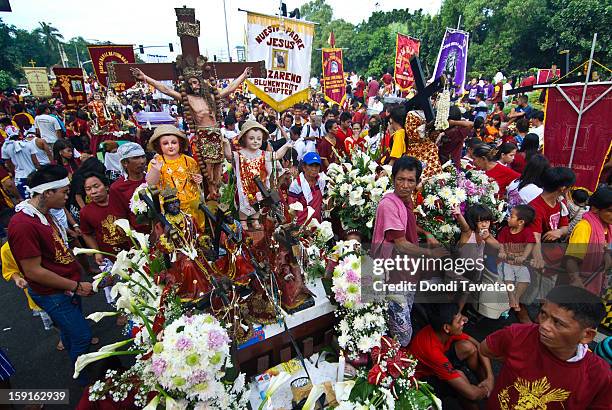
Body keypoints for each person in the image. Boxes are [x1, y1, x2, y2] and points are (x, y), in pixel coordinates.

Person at [8, 165, 94, 383]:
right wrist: (74, 286)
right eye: (64, 192)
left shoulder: (43, 213)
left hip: (65, 285)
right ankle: (86, 382)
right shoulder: (23, 224)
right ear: (48, 193)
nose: (68, 196)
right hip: (53, 293)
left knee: (69, 332)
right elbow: (33, 271)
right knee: (82, 335)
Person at [131, 65, 252, 200]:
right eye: (190, 83)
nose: (194, 86)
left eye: (195, 82)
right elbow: (166, 89)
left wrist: (243, 76)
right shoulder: (188, 98)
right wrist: (145, 78)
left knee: (218, 165)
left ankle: (217, 192)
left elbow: (230, 88)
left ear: (201, 82)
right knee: (208, 168)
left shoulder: (212, 97)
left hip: (217, 134)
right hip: (203, 136)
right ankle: (211, 192)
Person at [479, 286, 610, 409]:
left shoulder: (600, 376)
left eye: (558, 323)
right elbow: (485, 349)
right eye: (543, 314)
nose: (544, 325)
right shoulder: (516, 334)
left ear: (586, 335)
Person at [371, 156, 447, 345]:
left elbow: (406, 223)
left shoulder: (405, 199)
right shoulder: (389, 204)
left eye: (410, 180)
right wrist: (431, 254)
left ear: (417, 182)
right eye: (400, 179)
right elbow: (401, 243)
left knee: (401, 313)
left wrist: (426, 232)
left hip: (407, 269)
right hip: (394, 274)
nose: (405, 185)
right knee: (402, 333)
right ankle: (393, 358)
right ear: (393, 179)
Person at [410, 304, 494, 408]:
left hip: (441, 357)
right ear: (446, 328)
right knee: (464, 389)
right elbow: (472, 394)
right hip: (426, 378)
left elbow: (480, 346)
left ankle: (486, 384)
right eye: (459, 321)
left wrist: (490, 378)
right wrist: (486, 390)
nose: (464, 321)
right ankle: (486, 393)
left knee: (469, 347)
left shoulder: (446, 331)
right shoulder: (433, 352)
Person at [222, 120, 293, 231]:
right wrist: (226, 144)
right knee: (243, 202)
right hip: (244, 186)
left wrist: (286, 146)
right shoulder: (239, 154)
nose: (255, 141)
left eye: (258, 139)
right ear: (244, 139)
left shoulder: (264, 154)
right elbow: (228, 155)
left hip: (260, 186)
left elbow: (277, 156)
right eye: (251, 138)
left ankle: (255, 220)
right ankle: (243, 221)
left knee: (259, 203)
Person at [146, 125, 204, 226]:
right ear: (159, 146)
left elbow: (196, 179)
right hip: (170, 209)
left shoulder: (189, 161)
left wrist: (198, 179)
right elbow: (151, 183)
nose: (170, 146)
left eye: (174, 142)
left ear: (179, 143)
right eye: (165, 143)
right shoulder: (156, 162)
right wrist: (155, 170)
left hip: (192, 207)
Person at [565, 186, 612, 294]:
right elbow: (572, 259)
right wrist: (576, 279)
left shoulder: (609, 227)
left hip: (599, 283)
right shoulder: (584, 227)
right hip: (582, 285)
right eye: (610, 211)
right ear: (595, 208)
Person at [80, 172, 130, 263]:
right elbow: (86, 234)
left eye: (96, 186)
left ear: (106, 186)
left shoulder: (121, 200)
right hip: (111, 257)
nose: (93, 192)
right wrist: (97, 252)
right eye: (88, 189)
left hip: (133, 249)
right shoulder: (85, 212)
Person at [496, 205, 536, 313]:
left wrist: (524, 257)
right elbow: (501, 243)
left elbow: (530, 244)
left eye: (511, 216)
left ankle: (516, 297)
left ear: (521, 222)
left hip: (519, 264)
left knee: (525, 279)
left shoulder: (527, 232)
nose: (508, 218)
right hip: (506, 262)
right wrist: (502, 252)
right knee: (508, 276)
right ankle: (511, 297)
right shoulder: (505, 230)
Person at [109, 143, 147, 231]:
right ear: (125, 163)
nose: (142, 161)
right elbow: (120, 219)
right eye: (136, 158)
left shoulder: (153, 179)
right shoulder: (117, 188)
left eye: (143, 157)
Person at [287, 152, 326, 225]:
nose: (314, 169)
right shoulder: (296, 185)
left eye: (317, 166)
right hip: (301, 227)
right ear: (304, 167)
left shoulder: (321, 182)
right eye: (311, 166)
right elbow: (292, 211)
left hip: (317, 226)